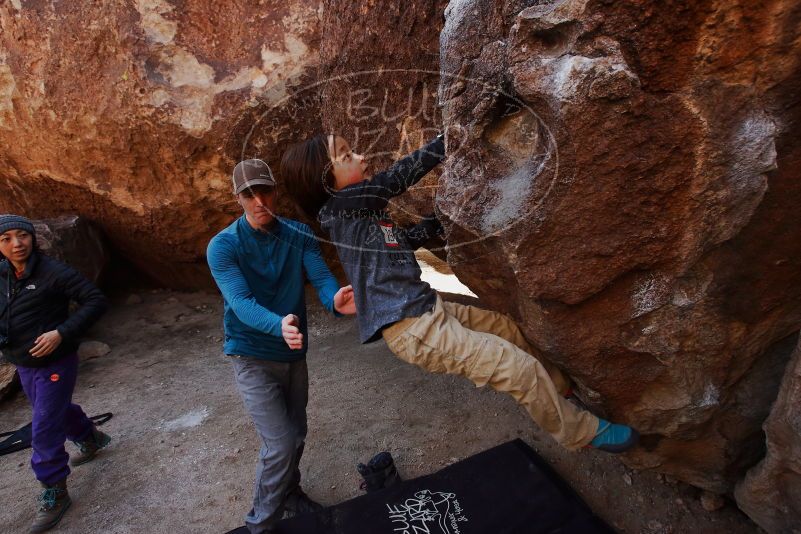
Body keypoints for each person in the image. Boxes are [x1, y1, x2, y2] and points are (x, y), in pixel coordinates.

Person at [280, 133, 639, 454]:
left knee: (507, 330)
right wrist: (448, 140)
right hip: (415, 330)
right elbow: (394, 180)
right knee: (517, 368)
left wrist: (433, 224)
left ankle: (559, 390)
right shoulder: (341, 210)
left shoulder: (362, 217)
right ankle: (580, 432)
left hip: (428, 311)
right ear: (324, 182)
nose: (361, 157)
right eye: (346, 156)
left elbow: (399, 245)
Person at [207, 159, 356, 534]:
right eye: (248, 194)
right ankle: (260, 525)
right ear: (237, 197)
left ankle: (290, 493)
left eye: (264, 191)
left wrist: (334, 299)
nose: (259, 201)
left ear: (275, 191)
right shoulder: (223, 246)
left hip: (292, 351)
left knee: (297, 433)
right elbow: (239, 302)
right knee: (280, 443)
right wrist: (278, 324)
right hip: (250, 352)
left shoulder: (298, 234)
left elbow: (321, 278)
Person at [0, 214, 110, 533]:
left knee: (44, 425)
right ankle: (90, 436)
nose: (16, 243)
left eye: (22, 235)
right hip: (23, 362)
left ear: (33, 238)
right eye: (6, 239)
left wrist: (61, 333)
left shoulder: (53, 272)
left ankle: (54, 491)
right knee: (52, 411)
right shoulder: (3, 274)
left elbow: (95, 300)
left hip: (56, 362)